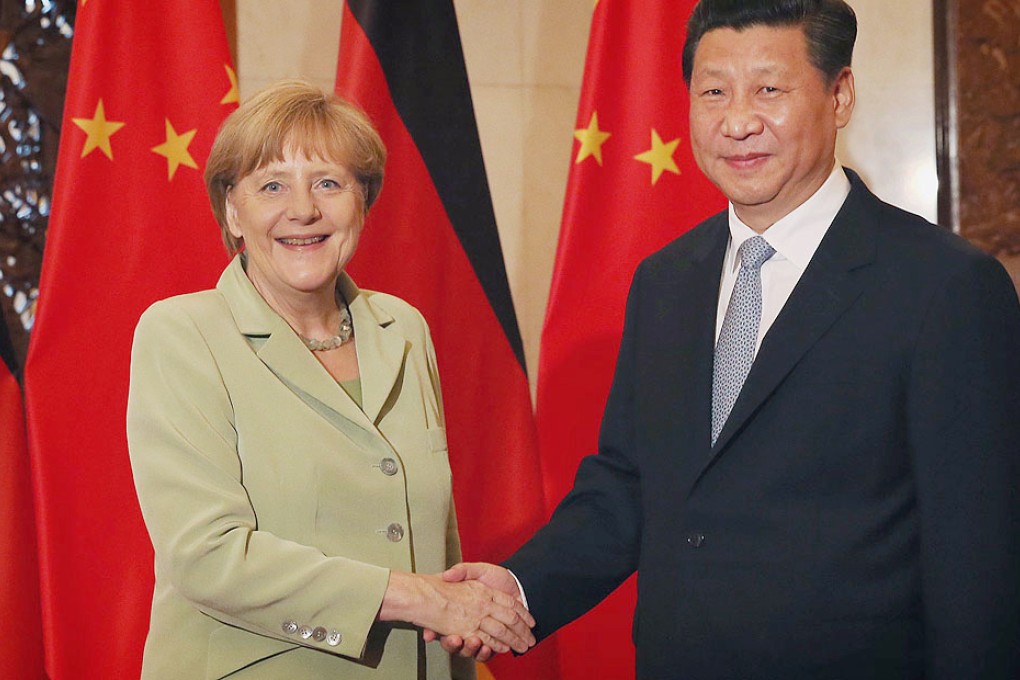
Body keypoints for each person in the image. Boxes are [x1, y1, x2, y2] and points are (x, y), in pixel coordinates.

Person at [433, 1, 1020, 677]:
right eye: (714, 92)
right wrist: (522, 585)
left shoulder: (942, 286)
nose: (738, 121)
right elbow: (629, 486)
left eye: (769, 89)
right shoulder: (665, 281)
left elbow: (979, 560)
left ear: (841, 94)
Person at [126, 81, 534, 680]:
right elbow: (206, 558)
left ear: (362, 200)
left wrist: (457, 612)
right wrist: (423, 599)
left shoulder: (404, 329)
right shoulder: (183, 333)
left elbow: (433, 543)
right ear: (232, 211)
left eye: (328, 183)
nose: (303, 210)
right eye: (271, 186)